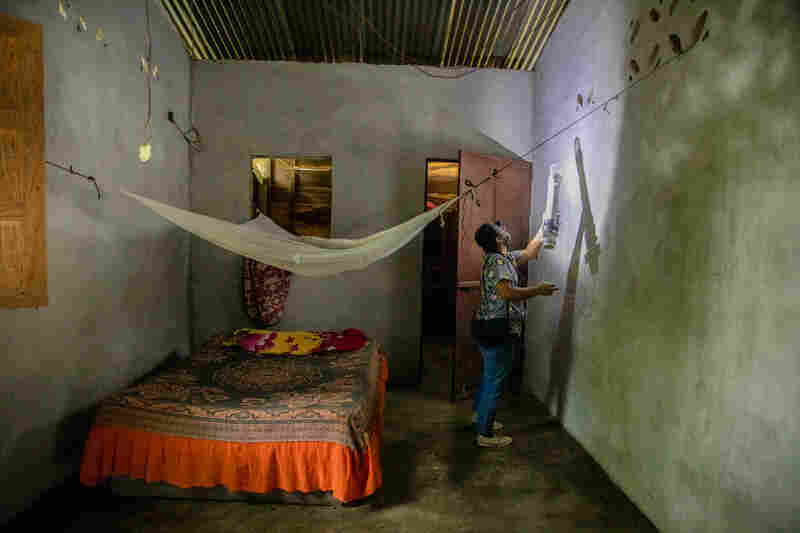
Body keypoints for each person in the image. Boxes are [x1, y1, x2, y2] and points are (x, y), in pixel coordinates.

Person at [472, 221, 558, 448]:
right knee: (495, 379)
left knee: (489, 375)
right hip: (498, 328)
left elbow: (530, 252)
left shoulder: (504, 258)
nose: (505, 229)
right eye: (500, 230)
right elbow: (506, 292)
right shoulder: (500, 261)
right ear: (498, 239)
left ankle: (480, 417)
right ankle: (485, 434)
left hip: (487, 327)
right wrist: (538, 290)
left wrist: (545, 224)